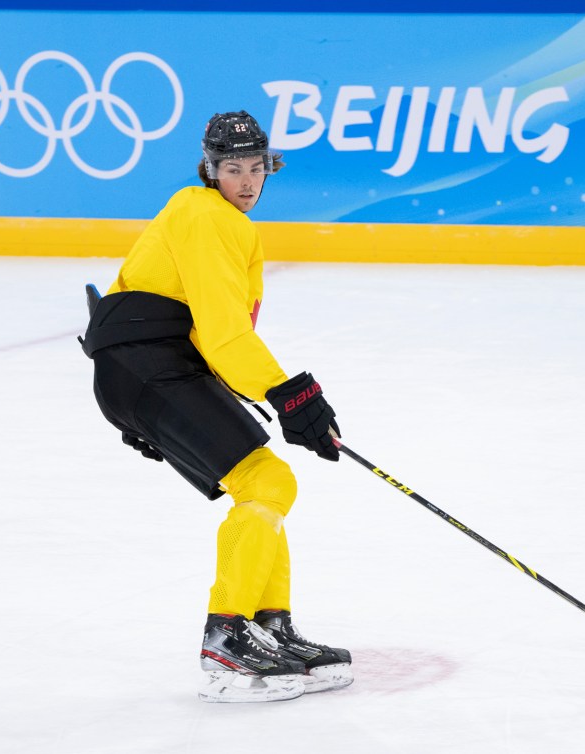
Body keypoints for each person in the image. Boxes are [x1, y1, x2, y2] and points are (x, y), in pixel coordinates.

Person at [80, 111, 352, 703]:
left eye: (257, 169)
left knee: (269, 481)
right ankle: (227, 637)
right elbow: (226, 334)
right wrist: (290, 394)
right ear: (211, 170)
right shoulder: (206, 215)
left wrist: (276, 398)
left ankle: (267, 625)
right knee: (265, 483)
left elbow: (209, 337)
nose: (248, 182)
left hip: (154, 366)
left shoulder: (219, 219)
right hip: (147, 367)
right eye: (234, 169)